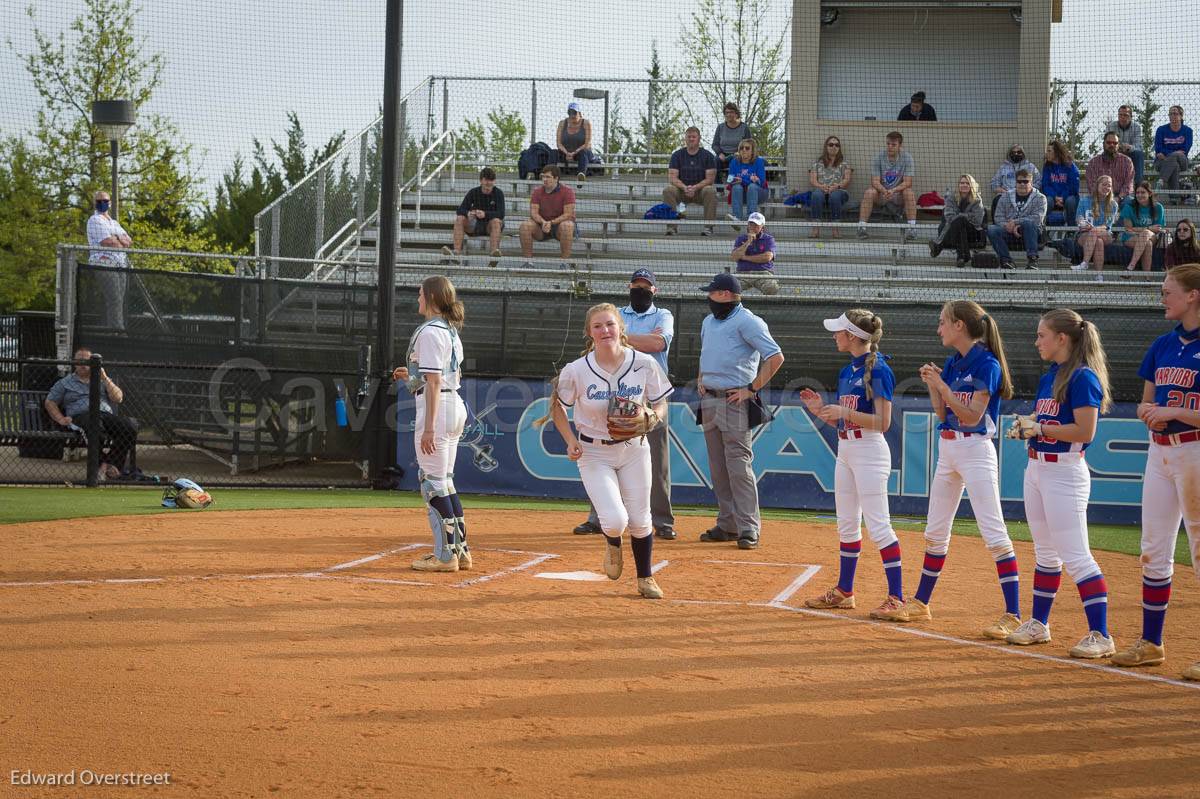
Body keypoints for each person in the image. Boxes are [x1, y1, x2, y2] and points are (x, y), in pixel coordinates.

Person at [1004, 309, 1116, 659]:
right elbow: (1048, 416)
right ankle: (1039, 624)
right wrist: (1030, 423)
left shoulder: (1083, 377)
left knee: (1077, 556)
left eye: (1042, 335)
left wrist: (1041, 429)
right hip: (1037, 469)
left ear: (1062, 339)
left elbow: (1085, 432)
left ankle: (1101, 634)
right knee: (1045, 553)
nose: (1037, 342)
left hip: (1065, 472)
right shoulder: (1052, 375)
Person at [543, 302, 673, 600]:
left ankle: (645, 577)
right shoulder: (576, 370)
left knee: (641, 520)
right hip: (594, 452)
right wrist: (569, 440)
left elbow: (662, 401)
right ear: (589, 333)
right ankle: (613, 543)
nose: (605, 330)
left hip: (634, 449)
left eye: (610, 324)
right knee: (615, 520)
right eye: (598, 326)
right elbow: (557, 407)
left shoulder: (642, 363)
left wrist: (652, 417)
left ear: (621, 328)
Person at [910, 301, 1022, 638]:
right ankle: (920, 602)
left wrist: (942, 386)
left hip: (975, 449)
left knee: (994, 533)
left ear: (960, 325)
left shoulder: (986, 363)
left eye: (943, 322)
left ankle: (1013, 614)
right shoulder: (954, 362)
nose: (939, 328)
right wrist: (934, 384)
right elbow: (944, 414)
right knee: (934, 531)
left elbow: (972, 416)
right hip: (950, 447)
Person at [1113, 264, 1200, 680]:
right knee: (1153, 547)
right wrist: (1151, 414)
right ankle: (1151, 643)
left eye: (1168, 291)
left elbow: (1171, 408)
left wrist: (1176, 411)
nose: (1162, 297)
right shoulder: (1163, 345)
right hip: (1160, 453)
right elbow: (1145, 402)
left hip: (1195, 452)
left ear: (1193, 295)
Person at [800, 310, 907, 622]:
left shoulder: (880, 369)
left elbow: (883, 422)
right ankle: (845, 592)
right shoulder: (848, 371)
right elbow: (843, 421)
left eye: (839, 332)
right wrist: (822, 411)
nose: (835, 336)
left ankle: (897, 597)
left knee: (878, 525)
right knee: (847, 524)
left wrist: (842, 414)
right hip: (846, 448)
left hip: (870, 452)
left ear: (853, 336)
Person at [572, 269, 677, 540]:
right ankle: (598, 518)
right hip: (610, 393)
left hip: (647, 396)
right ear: (629, 286)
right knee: (602, 452)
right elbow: (601, 341)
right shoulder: (616, 313)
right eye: (636, 285)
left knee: (655, 461)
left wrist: (619, 339)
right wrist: (616, 338)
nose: (640, 289)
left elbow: (658, 343)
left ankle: (662, 521)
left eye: (646, 286)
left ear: (655, 289)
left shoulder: (663, 315)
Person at [696, 273, 784, 550]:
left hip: (734, 400)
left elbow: (776, 357)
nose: (708, 297)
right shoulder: (708, 321)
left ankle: (748, 527)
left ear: (723, 294)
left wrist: (752, 388)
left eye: (712, 292)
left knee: (738, 466)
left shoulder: (749, 321)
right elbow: (706, 353)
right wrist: (701, 378)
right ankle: (727, 524)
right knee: (718, 468)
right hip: (710, 399)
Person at [391, 276, 472, 573]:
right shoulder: (450, 330)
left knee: (432, 484)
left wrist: (428, 427)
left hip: (437, 409)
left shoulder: (430, 331)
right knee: (445, 481)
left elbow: (435, 382)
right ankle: (460, 551)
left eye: (420, 295)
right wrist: (410, 379)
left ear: (433, 298)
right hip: (454, 405)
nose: (418, 300)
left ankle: (444, 555)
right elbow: (435, 378)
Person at [44, 347, 137, 480]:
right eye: (79, 360)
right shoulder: (64, 383)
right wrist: (60, 419)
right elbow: (50, 402)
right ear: (74, 363)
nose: (83, 364)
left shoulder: (102, 379)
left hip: (105, 415)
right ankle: (103, 468)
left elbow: (118, 398)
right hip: (81, 416)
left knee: (130, 426)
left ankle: (108, 464)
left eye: (86, 361)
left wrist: (104, 377)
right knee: (96, 430)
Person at [856, 131, 917, 241]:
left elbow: (908, 182)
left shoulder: (907, 158)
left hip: (898, 194)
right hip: (882, 194)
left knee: (909, 192)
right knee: (869, 192)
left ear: (900, 145)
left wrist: (893, 190)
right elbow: (874, 181)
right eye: (888, 144)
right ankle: (861, 227)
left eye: (893, 145)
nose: (890, 147)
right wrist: (884, 191)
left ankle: (912, 228)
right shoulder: (878, 157)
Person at [86, 190, 132, 331]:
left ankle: (117, 328)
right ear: (95, 203)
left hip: (120, 264)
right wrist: (118, 239)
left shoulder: (114, 222)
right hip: (104, 263)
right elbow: (108, 242)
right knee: (114, 298)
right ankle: (117, 330)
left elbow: (128, 241)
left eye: (105, 201)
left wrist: (116, 238)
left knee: (120, 299)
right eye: (99, 201)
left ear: (110, 203)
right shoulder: (94, 220)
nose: (102, 204)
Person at [987, 168, 1047, 270]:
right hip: (1009, 231)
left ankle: (1032, 260)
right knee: (991, 229)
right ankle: (1006, 261)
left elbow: (1037, 218)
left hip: (1031, 233)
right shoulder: (1005, 196)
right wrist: (1007, 225)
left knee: (1028, 223)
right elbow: (998, 217)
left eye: (1025, 181)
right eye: (1019, 181)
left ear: (1031, 182)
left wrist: (1016, 222)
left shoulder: (1040, 198)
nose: (1022, 184)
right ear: (1016, 182)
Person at [443, 167, 504, 265]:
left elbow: (501, 214)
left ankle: (494, 256)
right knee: (460, 218)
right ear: (481, 181)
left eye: (491, 180)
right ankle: (456, 253)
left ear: (494, 181)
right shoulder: (473, 192)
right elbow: (460, 210)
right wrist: (468, 213)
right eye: (486, 180)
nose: (489, 183)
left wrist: (485, 214)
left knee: (496, 221)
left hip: (490, 226)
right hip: (475, 225)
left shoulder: (498, 193)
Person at [664, 127, 718, 236]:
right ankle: (671, 227)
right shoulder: (677, 155)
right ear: (685, 139)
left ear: (699, 139)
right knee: (668, 190)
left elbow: (710, 179)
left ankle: (708, 228)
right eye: (689, 137)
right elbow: (672, 177)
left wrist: (695, 187)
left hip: (700, 192)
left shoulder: (708, 155)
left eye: (694, 137)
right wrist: (685, 187)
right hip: (682, 191)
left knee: (710, 190)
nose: (691, 139)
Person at [519, 165, 576, 263]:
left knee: (567, 225)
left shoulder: (568, 191)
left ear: (556, 178)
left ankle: (564, 263)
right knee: (525, 225)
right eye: (543, 177)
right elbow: (533, 213)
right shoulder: (537, 192)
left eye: (548, 177)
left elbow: (568, 214)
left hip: (560, 227)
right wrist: (544, 222)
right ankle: (527, 262)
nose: (544, 179)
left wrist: (551, 222)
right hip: (542, 226)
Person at [928, 174, 985, 268]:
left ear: (972, 185)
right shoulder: (951, 197)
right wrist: (966, 216)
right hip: (955, 233)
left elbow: (978, 220)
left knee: (960, 220)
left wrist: (960, 215)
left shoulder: (977, 200)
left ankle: (939, 245)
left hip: (973, 233)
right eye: (962, 183)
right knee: (960, 224)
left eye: (967, 183)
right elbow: (949, 217)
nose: (964, 185)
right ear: (958, 185)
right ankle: (962, 257)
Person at [1071, 174, 1120, 277]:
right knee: (1098, 242)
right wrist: (1083, 223)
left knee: (1095, 233)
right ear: (1097, 185)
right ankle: (1099, 275)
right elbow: (1079, 218)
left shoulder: (1113, 204)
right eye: (1104, 185)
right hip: (1084, 234)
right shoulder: (1084, 201)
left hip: (1106, 234)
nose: (1106, 188)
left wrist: (1093, 229)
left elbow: (1107, 226)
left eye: (1109, 185)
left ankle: (1085, 263)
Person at [807, 136, 852, 239]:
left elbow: (847, 179)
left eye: (837, 145)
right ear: (826, 147)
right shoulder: (817, 164)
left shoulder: (845, 164)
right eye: (831, 144)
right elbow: (813, 180)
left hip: (839, 191)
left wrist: (837, 186)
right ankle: (816, 229)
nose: (834, 147)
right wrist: (821, 186)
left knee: (835, 196)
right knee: (816, 195)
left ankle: (835, 229)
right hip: (822, 190)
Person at [1119, 182, 1166, 276]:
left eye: (1143, 192)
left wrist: (1141, 230)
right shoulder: (1129, 206)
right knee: (1147, 244)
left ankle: (1131, 267)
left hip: (1152, 236)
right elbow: (1128, 229)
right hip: (1131, 237)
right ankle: (1147, 278)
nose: (1140, 195)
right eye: (1137, 192)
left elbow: (1157, 229)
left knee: (1145, 234)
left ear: (1149, 193)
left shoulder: (1158, 207)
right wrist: (1148, 228)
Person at [731, 212, 778, 295]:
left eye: (756, 225)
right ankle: (738, 305)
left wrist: (745, 257)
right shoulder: (741, 238)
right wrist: (748, 242)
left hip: (763, 273)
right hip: (742, 273)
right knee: (730, 287)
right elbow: (734, 257)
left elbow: (767, 257)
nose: (752, 227)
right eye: (751, 224)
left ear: (762, 227)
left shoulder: (769, 239)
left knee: (772, 287)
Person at [1154, 105, 1193, 204]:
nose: (1173, 116)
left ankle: (1162, 180)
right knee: (1174, 165)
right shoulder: (1161, 130)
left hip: (1182, 161)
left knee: (1176, 157)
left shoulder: (1188, 131)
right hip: (1161, 162)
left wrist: (1168, 153)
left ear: (1181, 116)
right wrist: (1174, 153)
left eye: (1175, 113)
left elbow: (1185, 149)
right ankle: (1174, 199)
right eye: (1170, 114)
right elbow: (1158, 148)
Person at [989, 145, 1040, 218]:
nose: (1016, 154)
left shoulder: (1031, 167)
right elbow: (994, 184)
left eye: (1018, 152)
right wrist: (1004, 191)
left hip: (1025, 195)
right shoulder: (1003, 167)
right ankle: (998, 225)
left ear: (1023, 154)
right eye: (1013, 152)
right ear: (1009, 154)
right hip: (1006, 195)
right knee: (996, 200)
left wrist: (1027, 190)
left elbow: (1038, 182)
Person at [725, 138, 768, 222]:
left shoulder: (759, 161)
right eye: (741, 148)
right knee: (737, 187)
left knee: (752, 186)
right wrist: (734, 180)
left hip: (759, 194)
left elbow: (762, 182)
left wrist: (755, 180)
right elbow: (729, 179)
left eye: (747, 148)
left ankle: (751, 218)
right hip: (742, 194)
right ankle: (736, 218)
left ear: (752, 151)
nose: (744, 150)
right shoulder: (734, 162)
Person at [1086, 132, 1136, 203]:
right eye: (1108, 143)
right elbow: (1091, 185)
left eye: (1115, 143)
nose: (1112, 145)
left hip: (1120, 197)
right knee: (1085, 201)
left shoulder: (1127, 161)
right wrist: (1103, 198)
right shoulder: (1093, 162)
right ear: (1103, 144)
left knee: (1130, 201)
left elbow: (1129, 184)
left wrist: (1118, 198)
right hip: (1099, 197)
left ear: (1118, 145)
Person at [1039, 140, 1080, 226]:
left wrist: (1063, 197)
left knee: (1070, 201)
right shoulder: (1047, 167)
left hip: (1068, 196)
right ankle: (1042, 228)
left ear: (1057, 152)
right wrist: (1055, 197)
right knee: (1047, 201)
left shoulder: (1070, 166)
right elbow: (1045, 185)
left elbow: (1073, 186)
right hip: (1053, 197)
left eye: (1049, 151)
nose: (1046, 153)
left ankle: (1071, 230)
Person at [557, 102, 595, 183]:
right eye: (570, 113)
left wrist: (574, 153)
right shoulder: (562, 123)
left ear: (579, 113)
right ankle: (550, 175)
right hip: (566, 152)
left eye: (574, 112)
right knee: (553, 153)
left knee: (583, 153)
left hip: (581, 152)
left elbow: (587, 144)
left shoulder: (586, 123)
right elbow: (559, 143)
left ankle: (581, 175)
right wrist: (567, 153)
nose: (572, 115)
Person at [1106, 104, 1144, 186]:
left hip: (1131, 153)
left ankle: (1138, 185)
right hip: (1115, 151)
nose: (1122, 117)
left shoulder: (1136, 127)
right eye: (1120, 115)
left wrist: (1130, 147)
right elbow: (1107, 142)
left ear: (1131, 117)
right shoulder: (1111, 126)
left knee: (1139, 154)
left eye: (1125, 115)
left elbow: (1139, 145)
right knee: (1108, 153)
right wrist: (1118, 147)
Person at [712, 102, 751, 179]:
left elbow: (749, 145)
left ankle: (733, 183)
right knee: (715, 161)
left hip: (738, 156)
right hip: (722, 156)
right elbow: (715, 145)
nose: (729, 114)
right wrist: (720, 154)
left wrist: (740, 153)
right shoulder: (720, 127)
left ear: (736, 114)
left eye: (731, 112)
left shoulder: (744, 127)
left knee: (734, 160)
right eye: (727, 112)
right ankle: (719, 189)